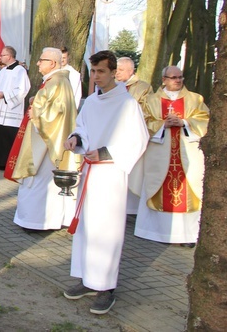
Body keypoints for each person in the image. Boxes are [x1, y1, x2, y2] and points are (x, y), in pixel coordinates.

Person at [62, 50, 148, 315]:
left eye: (101, 71)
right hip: (90, 172)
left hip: (111, 175)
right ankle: (88, 279)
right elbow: (82, 126)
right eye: (94, 71)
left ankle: (106, 288)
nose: (96, 77)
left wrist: (105, 153)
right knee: (88, 227)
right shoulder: (90, 102)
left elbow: (137, 140)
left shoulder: (127, 104)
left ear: (113, 72)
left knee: (107, 231)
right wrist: (76, 138)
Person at [130, 66, 209, 246]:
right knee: (158, 187)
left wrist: (184, 122)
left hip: (187, 153)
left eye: (180, 77)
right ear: (164, 79)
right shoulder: (150, 100)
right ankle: (157, 233)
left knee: (189, 189)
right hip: (160, 153)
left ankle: (187, 235)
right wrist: (162, 124)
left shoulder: (195, 99)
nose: (178, 80)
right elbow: (143, 121)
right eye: (173, 77)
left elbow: (204, 119)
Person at [11, 48, 77, 230]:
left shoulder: (58, 82)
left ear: (53, 63)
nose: (38, 63)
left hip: (48, 144)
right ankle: (34, 219)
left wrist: (36, 113)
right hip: (45, 139)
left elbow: (58, 112)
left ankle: (36, 221)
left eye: (42, 60)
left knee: (39, 181)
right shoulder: (54, 82)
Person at [115, 56, 153, 214]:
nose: (117, 73)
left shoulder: (143, 87)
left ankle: (132, 208)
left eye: (121, 70)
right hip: (114, 134)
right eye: (116, 69)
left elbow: (149, 111)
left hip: (131, 135)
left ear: (131, 71)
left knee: (132, 170)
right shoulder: (112, 87)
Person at [0, 46, 30, 170]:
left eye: (2, 55)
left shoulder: (20, 70)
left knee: (7, 137)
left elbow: (22, 89)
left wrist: (5, 95)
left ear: (9, 56)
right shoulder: (3, 70)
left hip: (11, 110)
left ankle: (7, 163)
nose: (0, 57)